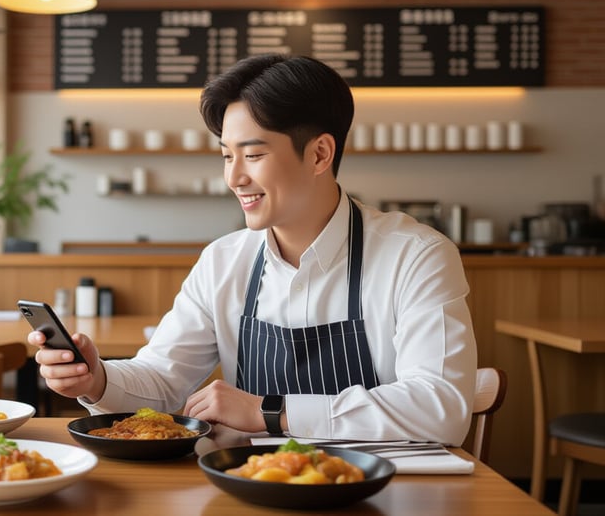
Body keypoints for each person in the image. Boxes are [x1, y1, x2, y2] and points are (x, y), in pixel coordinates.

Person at [30, 54, 477, 445]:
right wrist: (97, 378)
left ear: (320, 154)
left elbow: (440, 409)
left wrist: (270, 411)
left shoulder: (416, 256)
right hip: (249, 484)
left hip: (381, 491)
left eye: (253, 155)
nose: (234, 178)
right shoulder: (223, 262)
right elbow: (164, 381)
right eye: (227, 155)